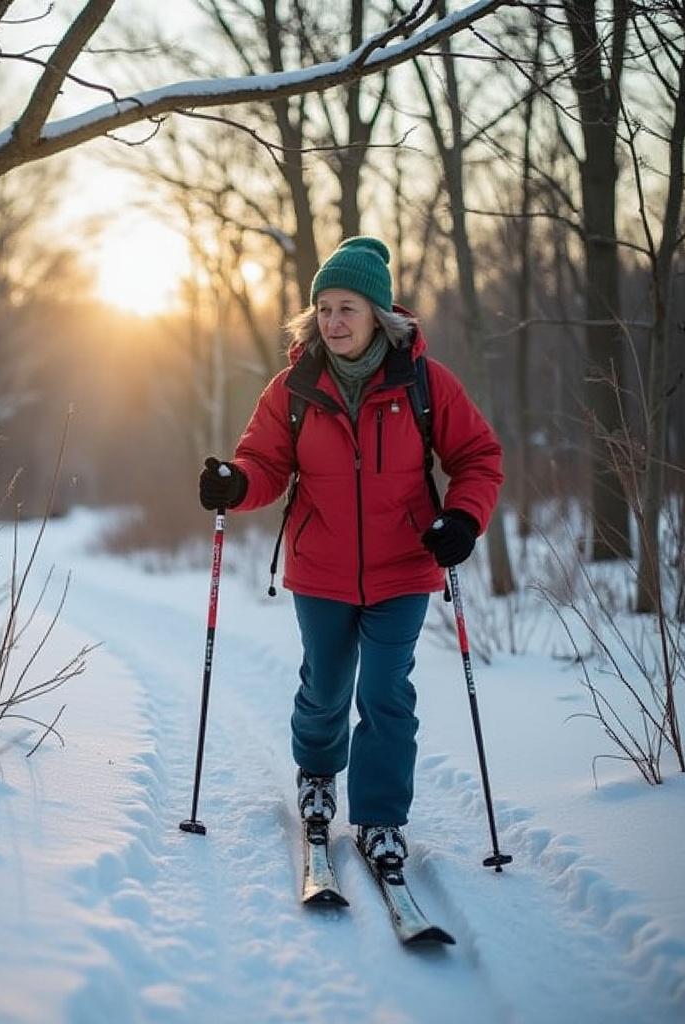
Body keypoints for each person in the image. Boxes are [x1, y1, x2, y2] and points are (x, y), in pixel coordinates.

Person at [197, 236, 503, 868]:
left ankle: (381, 819)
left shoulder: (424, 383)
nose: (333, 322)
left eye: (348, 309)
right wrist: (236, 482)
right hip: (322, 568)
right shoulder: (293, 389)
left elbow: (478, 458)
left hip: (405, 567)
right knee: (326, 686)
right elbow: (264, 464)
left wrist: (464, 519)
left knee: (388, 693)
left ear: (378, 316)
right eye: (325, 309)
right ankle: (316, 774)